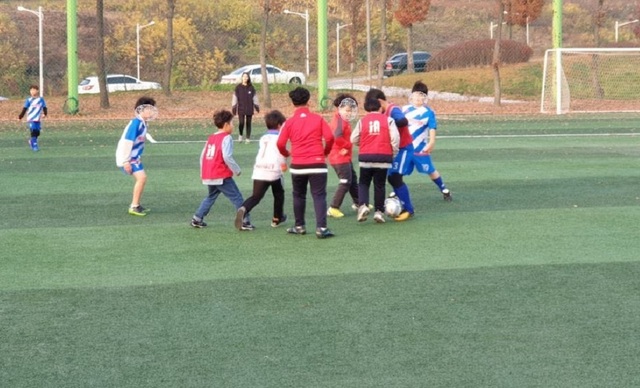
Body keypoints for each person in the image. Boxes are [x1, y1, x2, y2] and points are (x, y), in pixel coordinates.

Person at [277, 87, 335, 239]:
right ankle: (321, 228)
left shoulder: (289, 122)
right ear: (309, 101)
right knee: (319, 195)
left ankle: (299, 226)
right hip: (317, 163)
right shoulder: (318, 119)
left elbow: (280, 143)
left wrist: (287, 154)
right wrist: (325, 152)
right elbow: (329, 138)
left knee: (298, 195)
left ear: (293, 103)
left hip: (298, 165)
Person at [191, 109, 253, 230]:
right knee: (237, 197)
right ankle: (245, 221)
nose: (233, 126)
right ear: (226, 125)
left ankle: (197, 218)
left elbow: (202, 156)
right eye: (232, 123)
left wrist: (202, 172)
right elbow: (226, 156)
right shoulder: (226, 138)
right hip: (221, 175)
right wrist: (236, 169)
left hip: (209, 174)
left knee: (211, 196)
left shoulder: (211, 137)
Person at [366, 88, 415, 221]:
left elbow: (403, 121)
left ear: (380, 102)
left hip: (404, 148)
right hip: (395, 150)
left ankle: (408, 210)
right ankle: (401, 201)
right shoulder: (383, 113)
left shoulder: (393, 109)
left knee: (395, 178)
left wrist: (390, 124)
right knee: (391, 177)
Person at [235, 110, 288, 230]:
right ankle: (276, 218)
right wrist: (283, 164)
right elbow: (280, 152)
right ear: (279, 125)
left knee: (256, 197)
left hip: (259, 169)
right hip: (273, 170)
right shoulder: (280, 138)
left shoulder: (263, 137)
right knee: (279, 193)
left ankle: (243, 208)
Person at [350, 98, 399, 223]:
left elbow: (353, 138)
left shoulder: (362, 121)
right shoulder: (388, 120)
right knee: (380, 185)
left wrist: (364, 144)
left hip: (366, 156)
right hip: (383, 157)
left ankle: (363, 205)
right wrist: (393, 152)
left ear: (367, 109)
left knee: (364, 183)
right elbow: (395, 138)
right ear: (380, 108)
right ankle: (379, 212)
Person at [403, 80, 452, 201]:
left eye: (421, 95)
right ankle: (396, 191)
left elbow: (432, 127)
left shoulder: (428, 112)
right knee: (399, 171)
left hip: (420, 149)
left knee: (430, 170)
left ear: (425, 97)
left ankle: (443, 188)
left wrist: (432, 142)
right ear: (412, 95)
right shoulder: (404, 110)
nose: (418, 98)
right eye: (416, 94)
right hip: (405, 147)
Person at [115, 96, 158, 216]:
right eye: (149, 108)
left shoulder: (143, 123)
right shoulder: (136, 123)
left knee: (142, 179)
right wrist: (125, 161)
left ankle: (136, 205)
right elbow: (127, 142)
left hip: (134, 158)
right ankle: (134, 206)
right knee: (142, 178)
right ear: (141, 110)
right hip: (128, 158)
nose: (152, 111)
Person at [327, 94, 360, 218]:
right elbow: (337, 136)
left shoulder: (341, 119)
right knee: (345, 181)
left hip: (343, 157)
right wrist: (346, 146)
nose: (349, 113)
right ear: (339, 108)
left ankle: (359, 203)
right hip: (338, 157)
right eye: (347, 110)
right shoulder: (339, 120)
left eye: (350, 110)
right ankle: (333, 207)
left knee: (352, 179)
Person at [231, 71, 259, 143]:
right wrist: (234, 107)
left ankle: (247, 138)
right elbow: (235, 97)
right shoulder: (238, 87)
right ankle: (240, 135)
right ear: (242, 77)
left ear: (248, 78)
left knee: (248, 123)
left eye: (246, 77)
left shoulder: (251, 88)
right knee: (241, 123)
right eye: (244, 76)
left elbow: (255, 97)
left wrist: (256, 106)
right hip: (241, 108)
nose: (245, 78)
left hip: (249, 108)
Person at [18, 85, 47, 152]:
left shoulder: (41, 99)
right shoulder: (29, 100)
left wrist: (45, 114)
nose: (32, 91)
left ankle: (31, 141)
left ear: (37, 91)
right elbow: (24, 109)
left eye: (34, 90)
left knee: (37, 132)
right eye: (31, 90)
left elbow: (44, 107)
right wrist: (20, 116)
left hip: (38, 118)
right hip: (31, 118)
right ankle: (35, 145)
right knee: (33, 131)